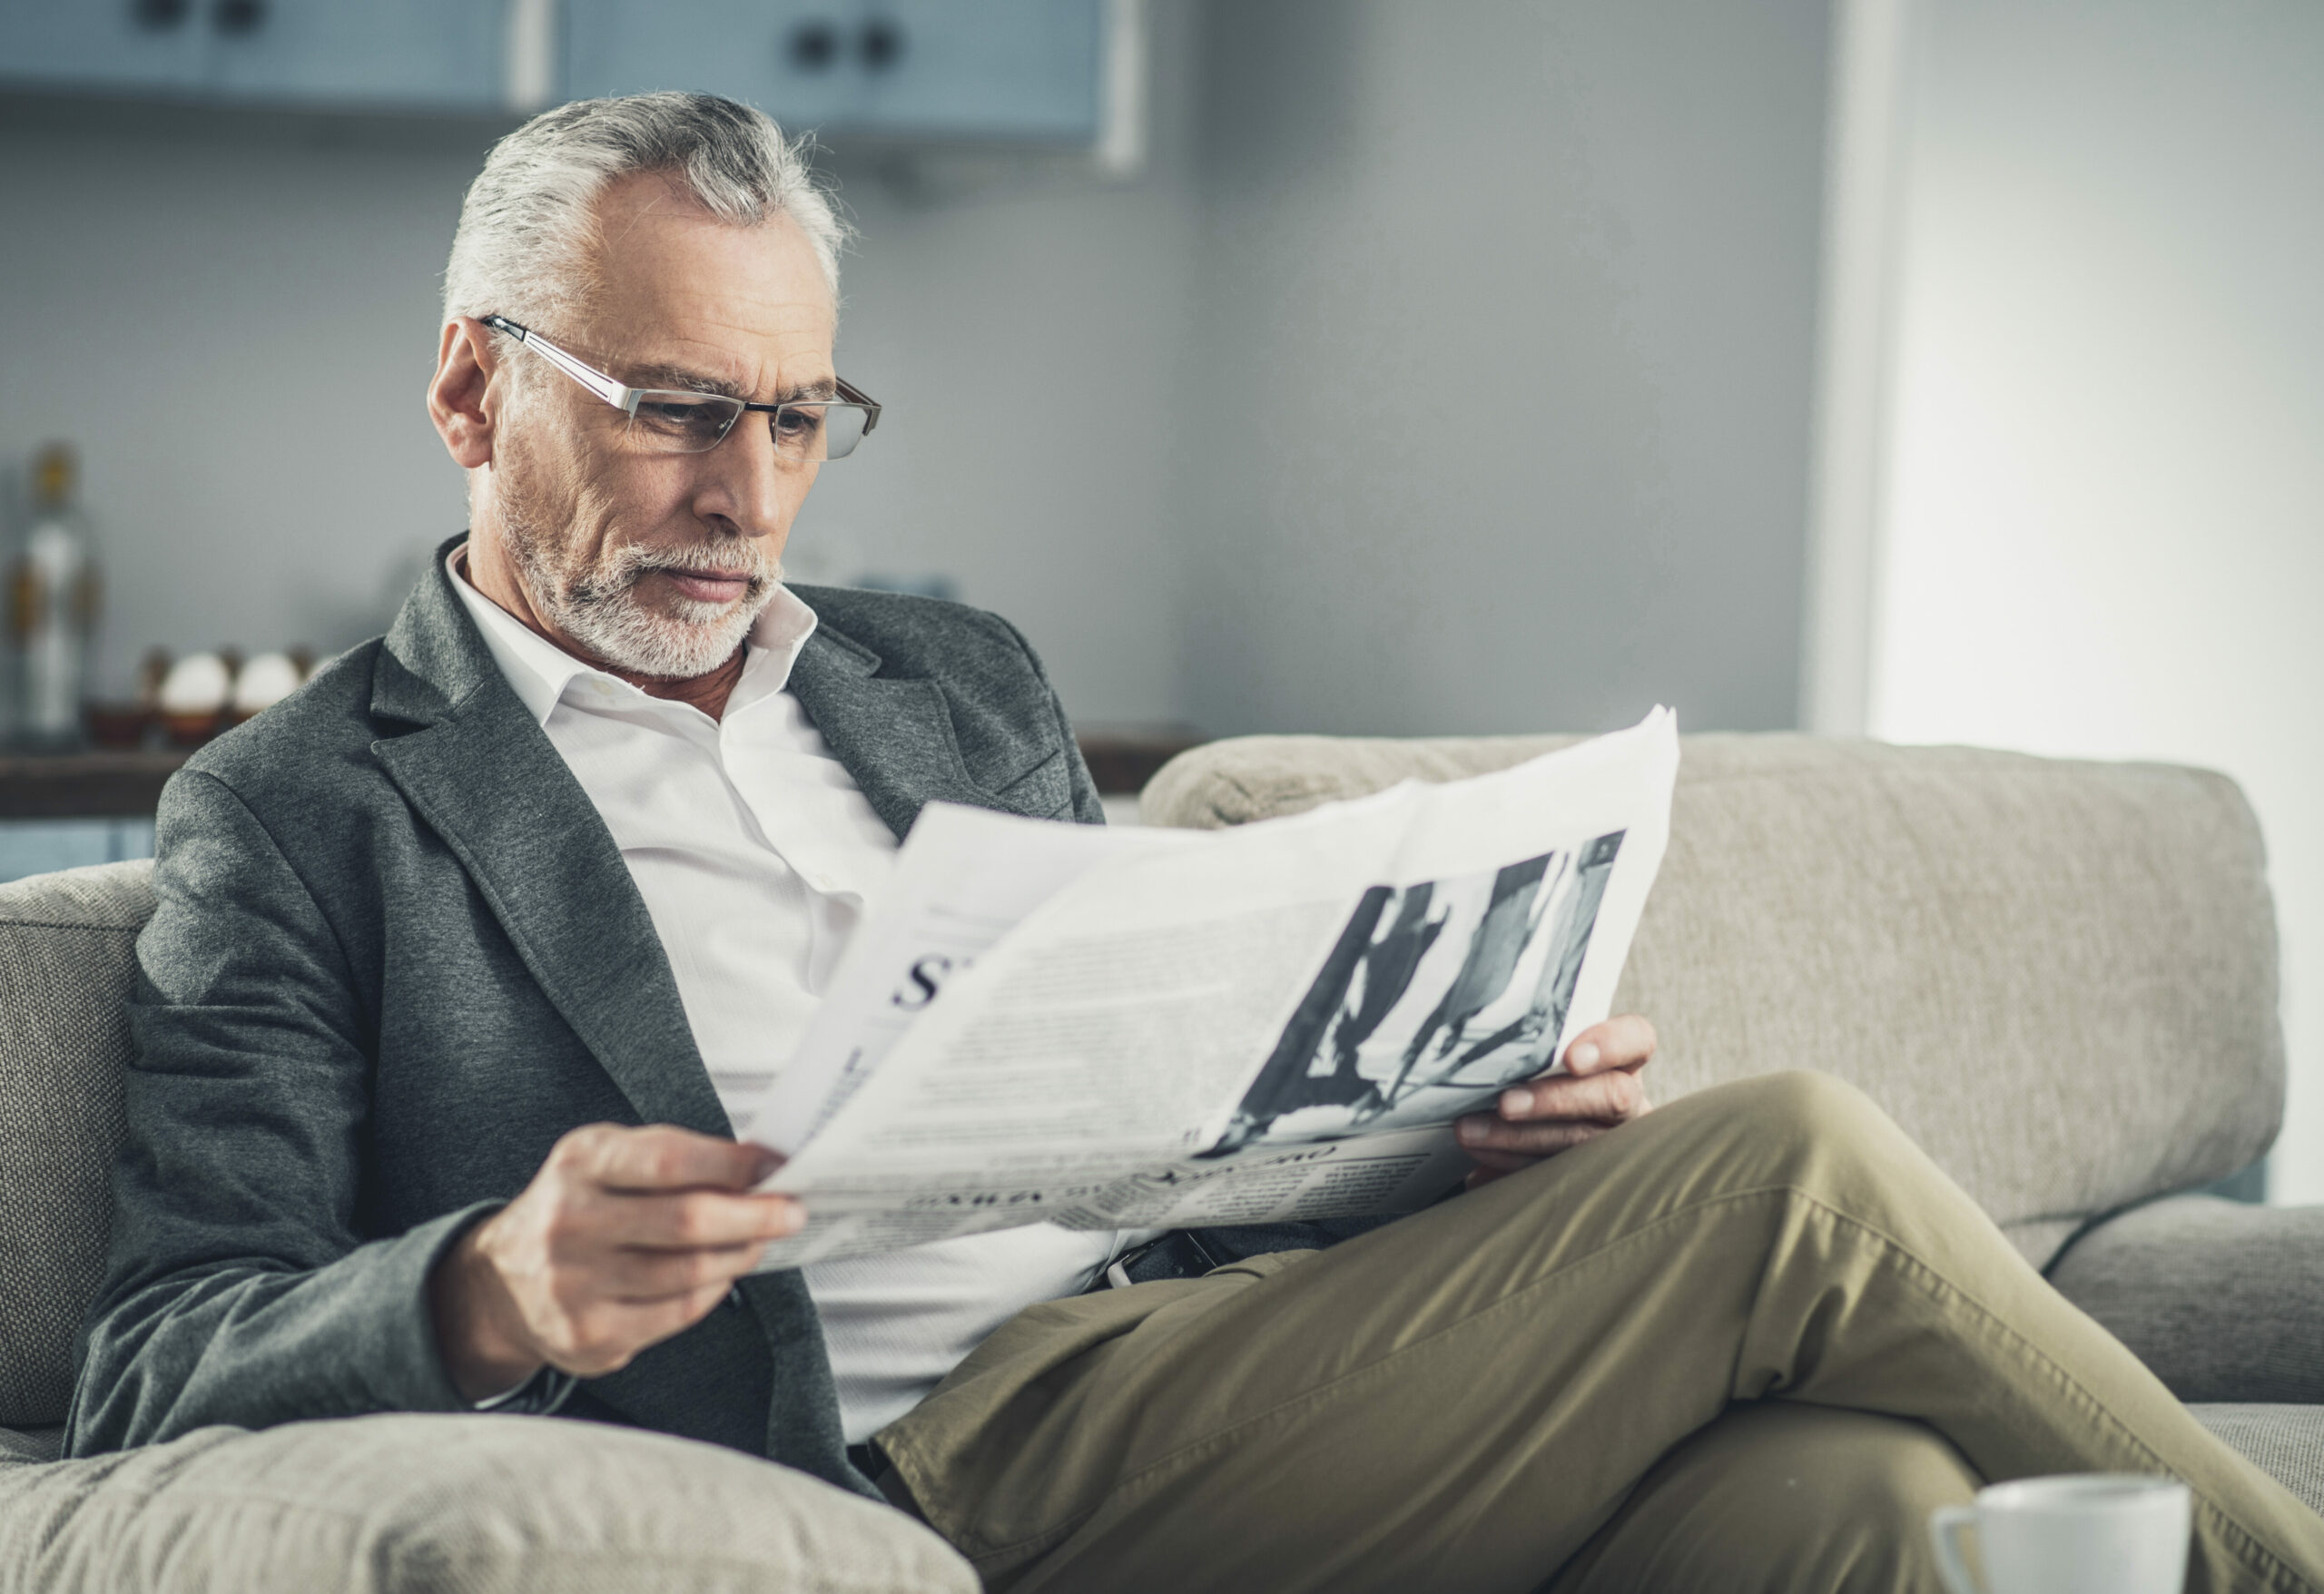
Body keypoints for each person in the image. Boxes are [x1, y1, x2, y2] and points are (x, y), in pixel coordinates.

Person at [66, 93, 2324, 1594]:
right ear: (473, 390)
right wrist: (484, 1285)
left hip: (1198, 1360)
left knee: (1865, 1505)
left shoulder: (946, 684)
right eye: (669, 409)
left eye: (792, 417)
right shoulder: (300, 812)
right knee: (1791, 1165)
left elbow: (1165, 1121)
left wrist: (1452, 1134)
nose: (743, 494)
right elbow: (152, 1364)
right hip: (894, 1449)